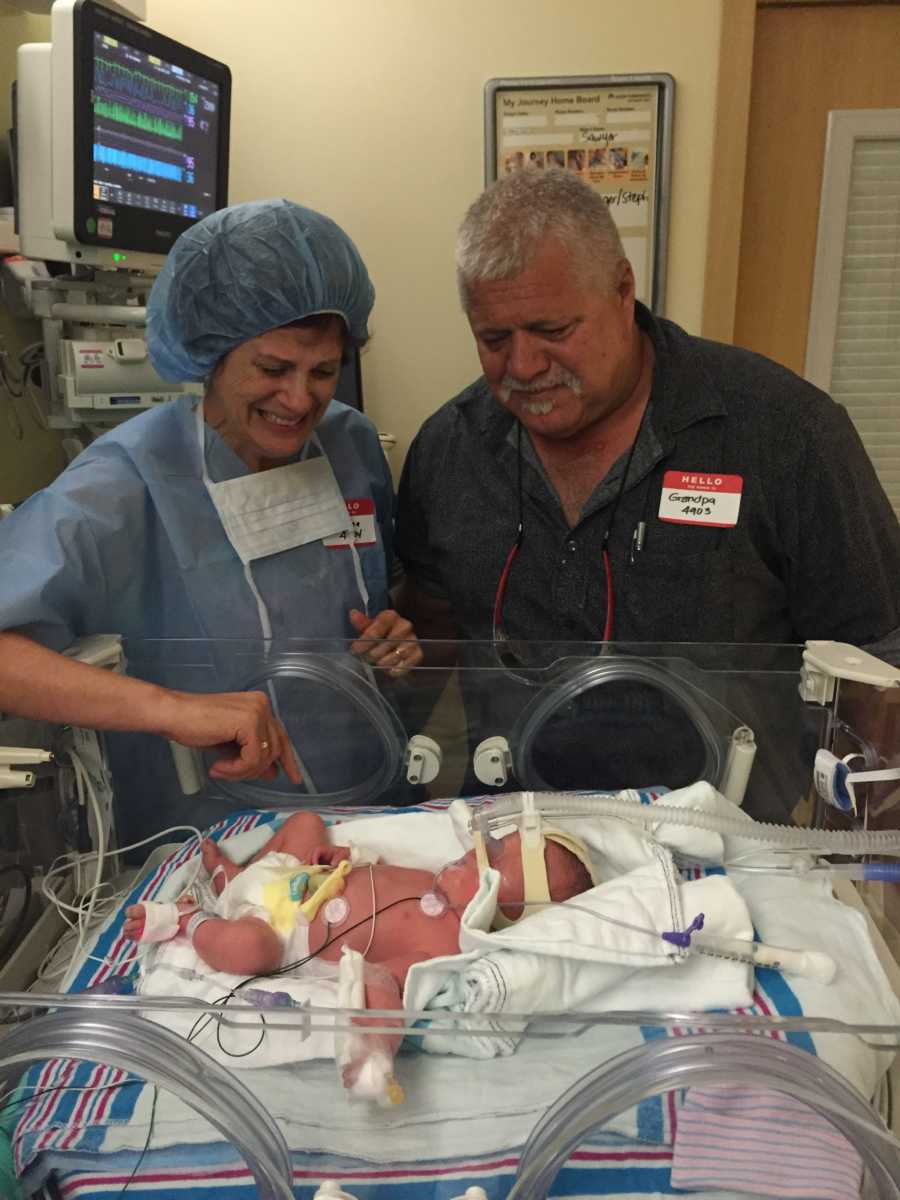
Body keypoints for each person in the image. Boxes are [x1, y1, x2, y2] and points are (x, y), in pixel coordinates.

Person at [394, 168, 900, 816]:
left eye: (553, 331)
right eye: (494, 339)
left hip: (723, 851)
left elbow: (877, 667)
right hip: (517, 845)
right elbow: (430, 633)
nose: (522, 367)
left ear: (623, 290)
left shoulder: (784, 437)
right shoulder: (450, 449)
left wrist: (846, 855)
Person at [0, 199, 420, 845]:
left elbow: (359, 590)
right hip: (213, 843)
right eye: (273, 369)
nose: (300, 399)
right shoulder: (126, 484)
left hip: (365, 816)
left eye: (324, 371)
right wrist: (171, 709)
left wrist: (389, 636)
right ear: (210, 355)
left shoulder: (350, 444)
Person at [122, 808, 593, 993]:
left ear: (503, 910)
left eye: (487, 865)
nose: (472, 853)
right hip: (297, 878)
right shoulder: (431, 877)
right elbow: (378, 870)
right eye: (485, 848)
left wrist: (372, 1045)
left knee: (249, 950)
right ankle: (236, 879)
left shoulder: (449, 945)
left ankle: (190, 920)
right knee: (306, 822)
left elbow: (386, 983)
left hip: (280, 935)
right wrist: (352, 856)